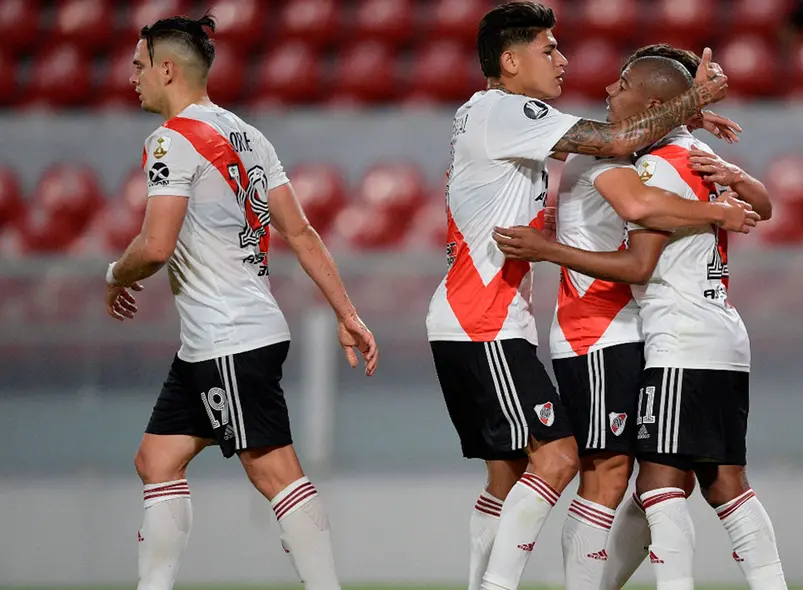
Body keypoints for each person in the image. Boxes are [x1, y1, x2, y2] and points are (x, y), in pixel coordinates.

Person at [425, 2, 729, 588]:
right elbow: (616, 142)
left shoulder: (495, 115)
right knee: (561, 459)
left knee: (510, 474)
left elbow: (610, 137)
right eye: (548, 49)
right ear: (510, 61)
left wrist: (676, 123)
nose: (563, 60)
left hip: (486, 319)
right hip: (481, 319)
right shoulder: (505, 111)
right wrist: (694, 100)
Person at [104, 14, 377, 590]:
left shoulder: (170, 141)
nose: (132, 77)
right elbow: (301, 232)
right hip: (217, 338)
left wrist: (114, 273)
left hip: (229, 336)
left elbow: (154, 247)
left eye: (138, 65)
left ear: (167, 70)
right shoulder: (247, 135)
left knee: (274, 471)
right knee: (156, 460)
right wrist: (346, 313)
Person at [494, 55, 784, 590]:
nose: (609, 88)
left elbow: (639, 263)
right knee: (724, 482)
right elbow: (764, 207)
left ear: (651, 106)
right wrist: (709, 146)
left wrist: (548, 250)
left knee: (654, 485)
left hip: (676, 339)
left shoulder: (653, 167)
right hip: (724, 336)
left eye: (623, 83)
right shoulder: (699, 153)